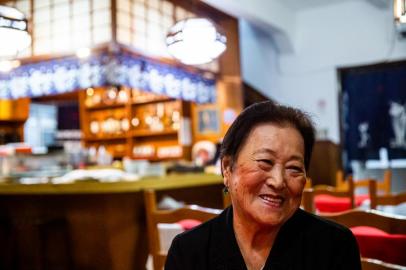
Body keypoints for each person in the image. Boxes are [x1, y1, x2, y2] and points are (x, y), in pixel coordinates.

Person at [165, 101, 361, 270]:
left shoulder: (334, 246)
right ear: (227, 168)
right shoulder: (190, 251)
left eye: (294, 168)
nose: (278, 181)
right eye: (265, 162)